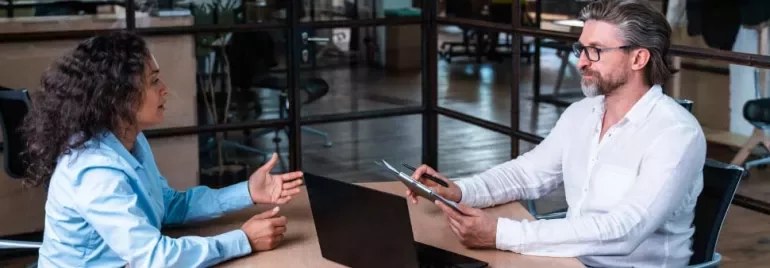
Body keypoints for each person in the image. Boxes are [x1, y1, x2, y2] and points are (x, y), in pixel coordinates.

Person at [407, 0, 706, 267]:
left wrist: (501, 234)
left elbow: (625, 230)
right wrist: (460, 191)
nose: (581, 62)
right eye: (581, 49)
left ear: (638, 59)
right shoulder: (582, 113)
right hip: (566, 260)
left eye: (595, 51)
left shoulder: (675, 134)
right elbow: (527, 174)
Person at [20, 31, 304, 267]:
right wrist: (243, 240)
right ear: (117, 97)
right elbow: (155, 258)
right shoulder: (93, 171)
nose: (165, 89)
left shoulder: (130, 141)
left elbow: (167, 206)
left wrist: (247, 192)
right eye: (154, 81)